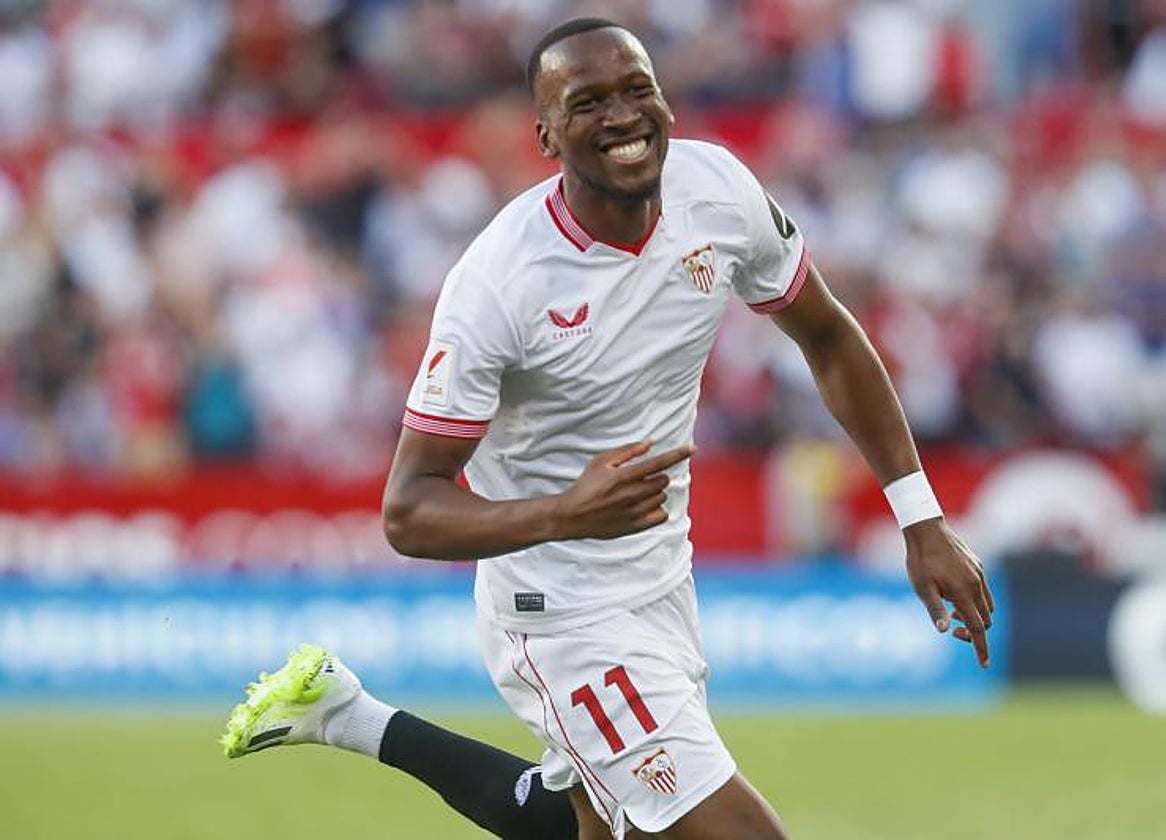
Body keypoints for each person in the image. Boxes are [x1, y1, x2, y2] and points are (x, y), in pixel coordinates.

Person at [222, 17, 994, 839]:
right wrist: (568, 513)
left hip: (662, 579)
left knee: (599, 830)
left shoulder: (718, 193)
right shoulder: (499, 283)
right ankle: (351, 717)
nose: (623, 116)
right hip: (555, 611)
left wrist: (921, 517)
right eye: (588, 102)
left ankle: (348, 715)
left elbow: (829, 336)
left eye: (637, 89)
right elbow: (408, 510)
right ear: (546, 136)